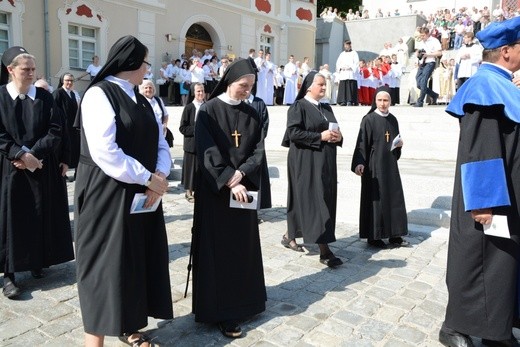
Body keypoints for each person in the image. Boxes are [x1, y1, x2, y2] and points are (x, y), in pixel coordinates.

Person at [74, 35, 173, 347]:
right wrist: (148, 178)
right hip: (107, 194)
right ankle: (95, 340)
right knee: (105, 265)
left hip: (141, 193)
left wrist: (161, 174)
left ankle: (130, 324)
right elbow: (106, 152)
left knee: (135, 260)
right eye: (145, 63)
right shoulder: (98, 95)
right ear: (132, 63)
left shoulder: (142, 99)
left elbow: (161, 142)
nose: (148, 69)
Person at [439, 17, 520, 347]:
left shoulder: (500, 83)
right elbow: (481, 147)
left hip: (506, 193)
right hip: (488, 199)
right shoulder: (486, 86)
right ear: (505, 51)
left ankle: (495, 329)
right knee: (477, 261)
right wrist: (484, 202)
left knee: (501, 264)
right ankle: (454, 326)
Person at [191, 59, 266, 338]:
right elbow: (206, 151)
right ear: (229, 82)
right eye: (242, 86)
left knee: (242, 250)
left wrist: (242, 174)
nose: (247, 91)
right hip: (217, 195)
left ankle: (246, 303)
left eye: (250, 87)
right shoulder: (208, 111)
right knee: (219, 253)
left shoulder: (253, 113)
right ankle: (222, 312)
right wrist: (226, 179)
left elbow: (258, 150)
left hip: (243, 190)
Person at [0, 46, 74, 299]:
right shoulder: (0, 97)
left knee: (38, 213)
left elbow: (56, 129)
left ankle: (36, 261)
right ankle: (8, 273)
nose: (31, 73)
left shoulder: (45, 97)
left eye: (33, 69)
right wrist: (20, 154)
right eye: (26, 69)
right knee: (10, 218)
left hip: (41, 166)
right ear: (10, 70)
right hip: (9, 168)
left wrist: (35, 155)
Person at [281, 71, 343, 267]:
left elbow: (335, 130)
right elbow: (294, 133)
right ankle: (324, 250)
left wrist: (338, 137)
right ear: (308, 86)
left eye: (325, 85)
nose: (324, 88)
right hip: (305, 161)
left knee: (315, 199)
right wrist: (320, 137)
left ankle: (289, 234)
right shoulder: (298, 106)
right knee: (316, 201)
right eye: (320, 84)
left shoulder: (326, 107)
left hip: (325, 162)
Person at [351, 86, 408, 249]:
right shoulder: (368, 119)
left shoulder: (393, 119)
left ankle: (395, 234)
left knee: (393, 198)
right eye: (380, 100)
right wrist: (359, 162)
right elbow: (361, 144)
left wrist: (399, 145)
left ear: (391, 101)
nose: (383, 104)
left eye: (386, 100)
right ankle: (374, 236)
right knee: (376, 200)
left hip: (390, 165)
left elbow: (395, 140)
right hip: (374, 166)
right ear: (375, 101)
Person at [179, 82, 204, 202]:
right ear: (194, 92)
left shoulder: (208, 106)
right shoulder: (189, 107)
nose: (201, 93)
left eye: (202, 91)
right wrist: (197, 129)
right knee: (190, 169)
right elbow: (182, 128)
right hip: (191, 145)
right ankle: (188, 191)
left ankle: (200, 190)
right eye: (198, 91)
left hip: (205, 145)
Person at [53, 72, 80, 180]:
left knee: (75, 151)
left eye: (71, 80)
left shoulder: (73, 94)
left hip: (73, 128)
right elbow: (54, 111)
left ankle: (76, 174)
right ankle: (62, 174)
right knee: (63, 151)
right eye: (67, 80)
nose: (69, 82)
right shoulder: (57, 93)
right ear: (62, 81)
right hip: (63, 128)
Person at [139, 79, 174, 148]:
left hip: (161, 133)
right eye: (146, 88)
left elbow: (166, 115)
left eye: (150, 87)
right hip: (147, 134)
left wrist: (164, 124)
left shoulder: (158, 100)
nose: (148, 89)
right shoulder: (140, 101)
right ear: (142, 89)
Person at [414, 27, 442, 107]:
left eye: (423, 35)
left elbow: (439, 53)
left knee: (424, 81)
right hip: (422, 63)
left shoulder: (434, 41)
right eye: (421, 35)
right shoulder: (421, 42)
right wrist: (418, 54)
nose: (422, 37)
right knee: (418, 83)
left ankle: (420, 101)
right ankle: (434, 95)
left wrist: (428, 54)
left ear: (427, 34)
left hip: (430, 62)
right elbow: (419, 51)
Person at [335, 40, 359, 106]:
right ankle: (342, 101)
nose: (345, 46)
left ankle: (350, 100)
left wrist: (351, 67)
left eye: (346, 45)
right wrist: (340, 67)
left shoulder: (354, 53)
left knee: (350, 86)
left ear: (350, 45)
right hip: (343, 72)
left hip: (350, 72)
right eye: (344, 45)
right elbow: (338, 63)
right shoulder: (342, 54)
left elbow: (356, 63)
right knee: (343, 86)